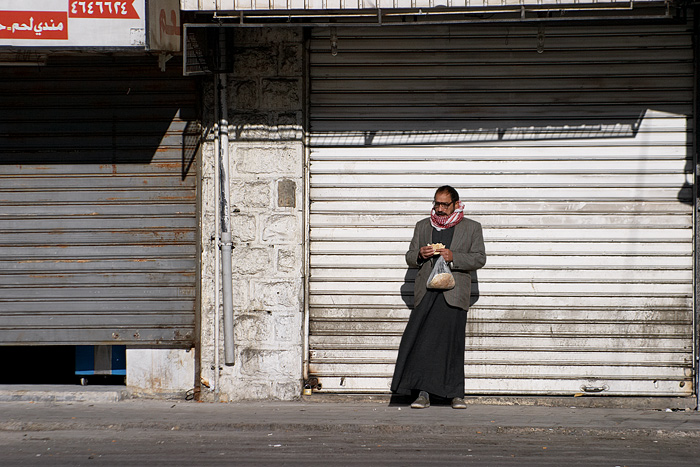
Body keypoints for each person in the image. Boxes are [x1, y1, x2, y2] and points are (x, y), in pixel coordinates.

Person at [391, 185, 486, 409]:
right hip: (427, 292)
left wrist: (454, 257)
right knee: (423, 343)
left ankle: (455, 394)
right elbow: (409, 257)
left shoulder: (472, 227)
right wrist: (419, 254)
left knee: (452, 344)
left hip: (454, 294)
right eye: (437, 203)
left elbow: (480, 259)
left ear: (455, 204)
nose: (440, 208)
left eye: (445, 204)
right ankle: (423, 394)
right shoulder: (423, 226)